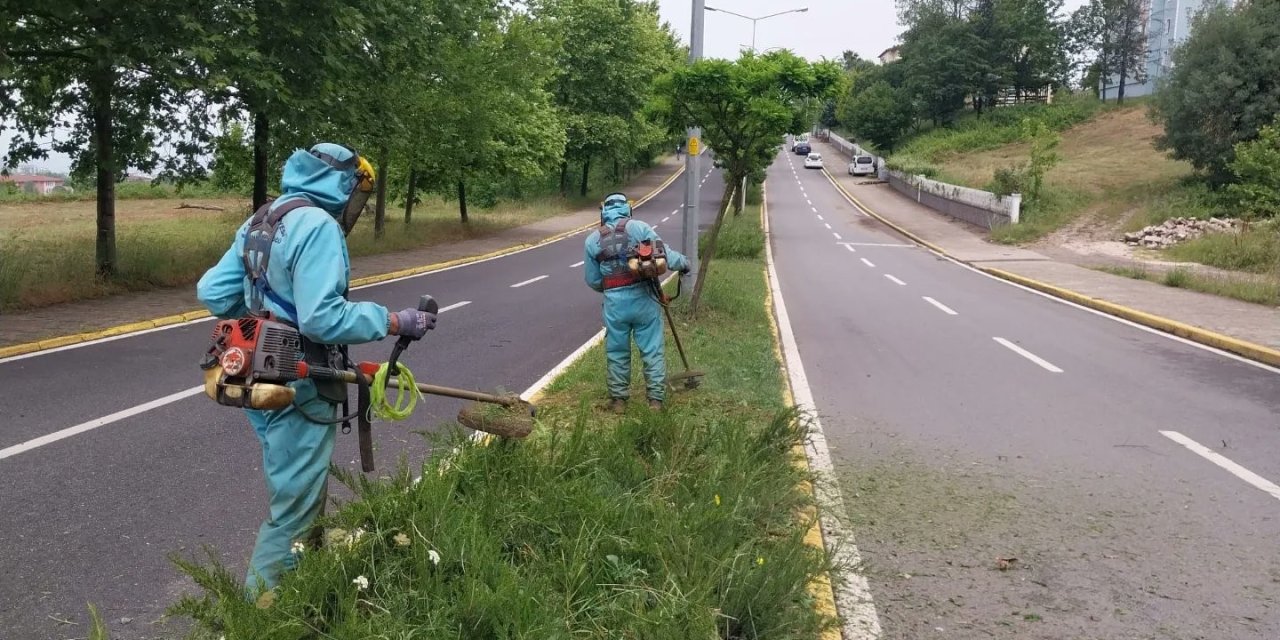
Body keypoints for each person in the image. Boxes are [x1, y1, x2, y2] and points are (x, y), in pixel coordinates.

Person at [195, 143, 437, 597]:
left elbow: (211, 292)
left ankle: (311, 587)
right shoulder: (320, 226)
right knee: (292, 509)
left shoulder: (262, 220)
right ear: (343, 185)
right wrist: (393, 320)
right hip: (301, 381)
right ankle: (260, 617)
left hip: (255, 380)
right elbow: (322, 319)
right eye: (355, 193)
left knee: (300, 488)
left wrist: (260, 323)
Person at [583, 193, 689, 413]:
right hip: (644, 300)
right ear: (627, 209)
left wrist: (614, 289)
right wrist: (684, 264)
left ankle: (619, 401)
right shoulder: (640, 228)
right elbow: (665, 255)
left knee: (617, 350)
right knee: (652, 349)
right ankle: (655, 402)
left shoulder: (592, 239)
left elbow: (593, 280)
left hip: (615, 306)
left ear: (603, 212)